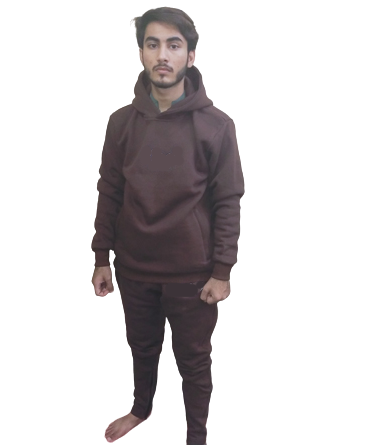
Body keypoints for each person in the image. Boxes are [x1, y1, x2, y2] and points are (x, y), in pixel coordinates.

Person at [91, 7, 244, 445]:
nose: (163, 55)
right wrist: (101, 256)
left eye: (174, 45)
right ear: (141, 52)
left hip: (192, 274)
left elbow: (228, 201)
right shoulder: (121, 123)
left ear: (190, 56)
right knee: (141, 347)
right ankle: (142, 408)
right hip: (134, 268)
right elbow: (110, 190)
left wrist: (222, 270)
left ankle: (196, 436)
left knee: (193, 361)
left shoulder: (216, 126)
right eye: (153, 44)